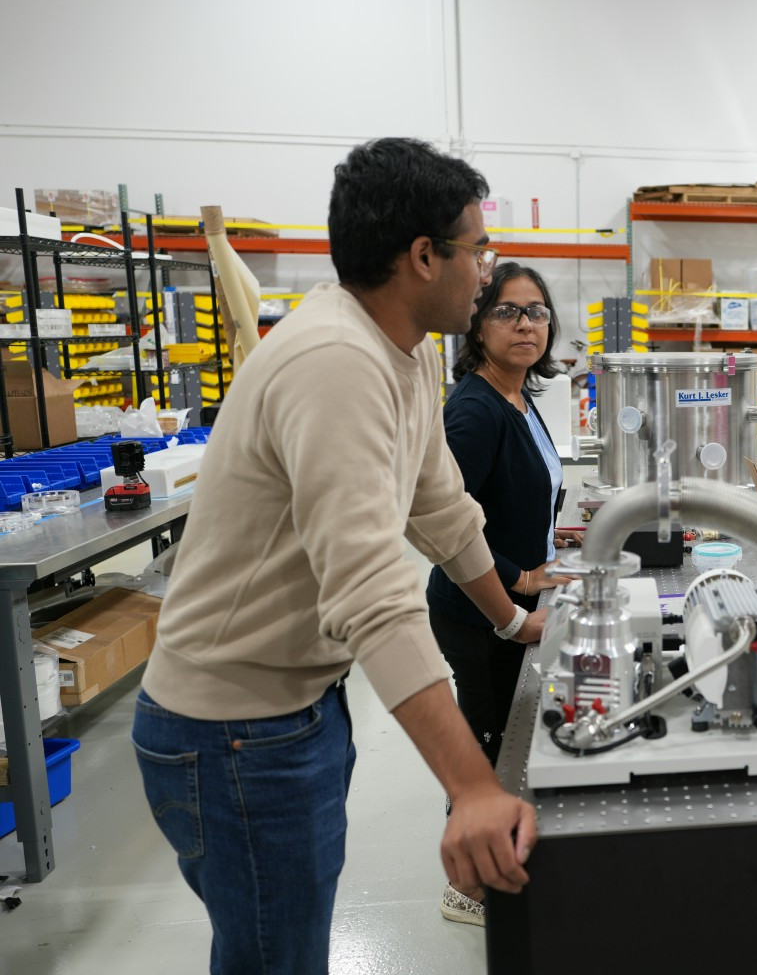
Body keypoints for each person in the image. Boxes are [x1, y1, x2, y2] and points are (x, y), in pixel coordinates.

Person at [132, 138, 546, 975]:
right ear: (424, 258)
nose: (486, 272)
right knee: (276, 962)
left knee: (284, 949)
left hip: (293, 709)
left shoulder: (406, 352)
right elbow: (371, 592)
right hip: (234, 730)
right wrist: (470, 785)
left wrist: (512, 622)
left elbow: (441, 508)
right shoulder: (335, 362)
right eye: (478, 252)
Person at [427, 262, 579, 925]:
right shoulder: (474, 408)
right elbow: (443, 516)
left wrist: (557, 533)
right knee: (487, 751)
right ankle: (466, 891)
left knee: (508, 745)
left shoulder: (517, 395)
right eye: (509, 311)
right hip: (476, 608)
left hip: (515, 598)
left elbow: (519, 489)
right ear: (477, 325)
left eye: (538, 311)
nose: (527, 324)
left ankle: (497, 867)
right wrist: (518, 577)